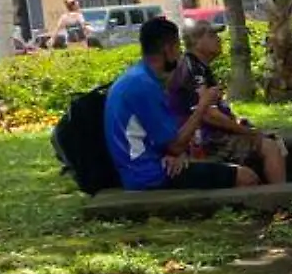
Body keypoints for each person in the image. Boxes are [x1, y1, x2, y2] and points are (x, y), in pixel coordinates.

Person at [104, 17, 260, 192]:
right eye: (178, 48)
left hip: (144, 167)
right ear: (168, 49)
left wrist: (175, 154)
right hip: (148, 175)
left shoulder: (136, 77)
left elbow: (162, 141)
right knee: (247, 178)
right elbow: (176, 144)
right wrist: (203, 105)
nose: (180, 54)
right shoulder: (144, 86)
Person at [169, 20, 288, 185]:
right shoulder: (192, 68)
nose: (218, 39)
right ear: (196, 42)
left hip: (212, 136)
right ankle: (281, 200)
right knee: (269, 146)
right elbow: (209, 115)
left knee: (270, 140)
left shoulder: (199, 67)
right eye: (211, 35)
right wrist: (245, 131)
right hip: (205, 141)